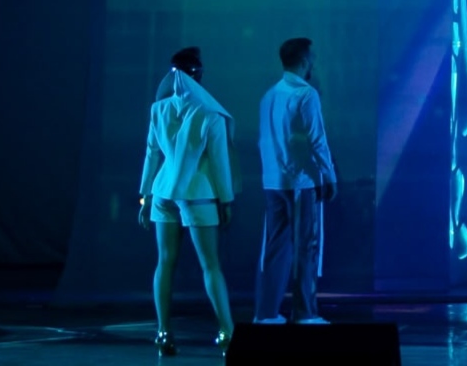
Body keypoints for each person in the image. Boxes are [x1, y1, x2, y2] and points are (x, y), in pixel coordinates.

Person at [140, 47, 236, 355]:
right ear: (198, 75)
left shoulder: (159, 109)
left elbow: (151, 154)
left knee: (165, 262)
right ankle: (227, 331)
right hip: (198, 194)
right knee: (210, 266)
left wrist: (145, 195)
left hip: (162, 191)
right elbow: (219, 163)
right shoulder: (210, 114)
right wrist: (226, 200)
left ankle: (163, 332)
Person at [253, 37, 338, 326]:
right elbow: (317, 139)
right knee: (306, 247)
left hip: (273, 182)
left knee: (275, 248)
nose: (314, 63)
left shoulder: (269, 95)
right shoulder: (306, 94)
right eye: (311, 58)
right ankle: (305, 312)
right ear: (304, 61)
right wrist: (328, 175)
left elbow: (264, 140)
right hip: (300, 181)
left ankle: (266, 312)